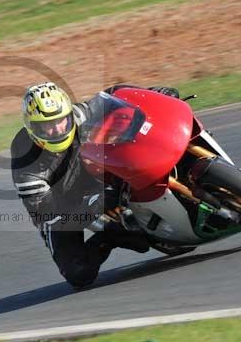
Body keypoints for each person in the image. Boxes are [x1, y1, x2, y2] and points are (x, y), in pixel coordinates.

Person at [11, 82, 180, 289]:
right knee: (79, 274)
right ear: (32, 127)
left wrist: (156, 93)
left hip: (95, 176)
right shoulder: (25, 160)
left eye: (61, 120)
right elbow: (48, 213)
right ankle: (110, 236)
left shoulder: (78, 114)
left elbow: (116, 94)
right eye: (47, 125)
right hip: (62, 207)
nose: (57, 129)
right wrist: (93, 207)